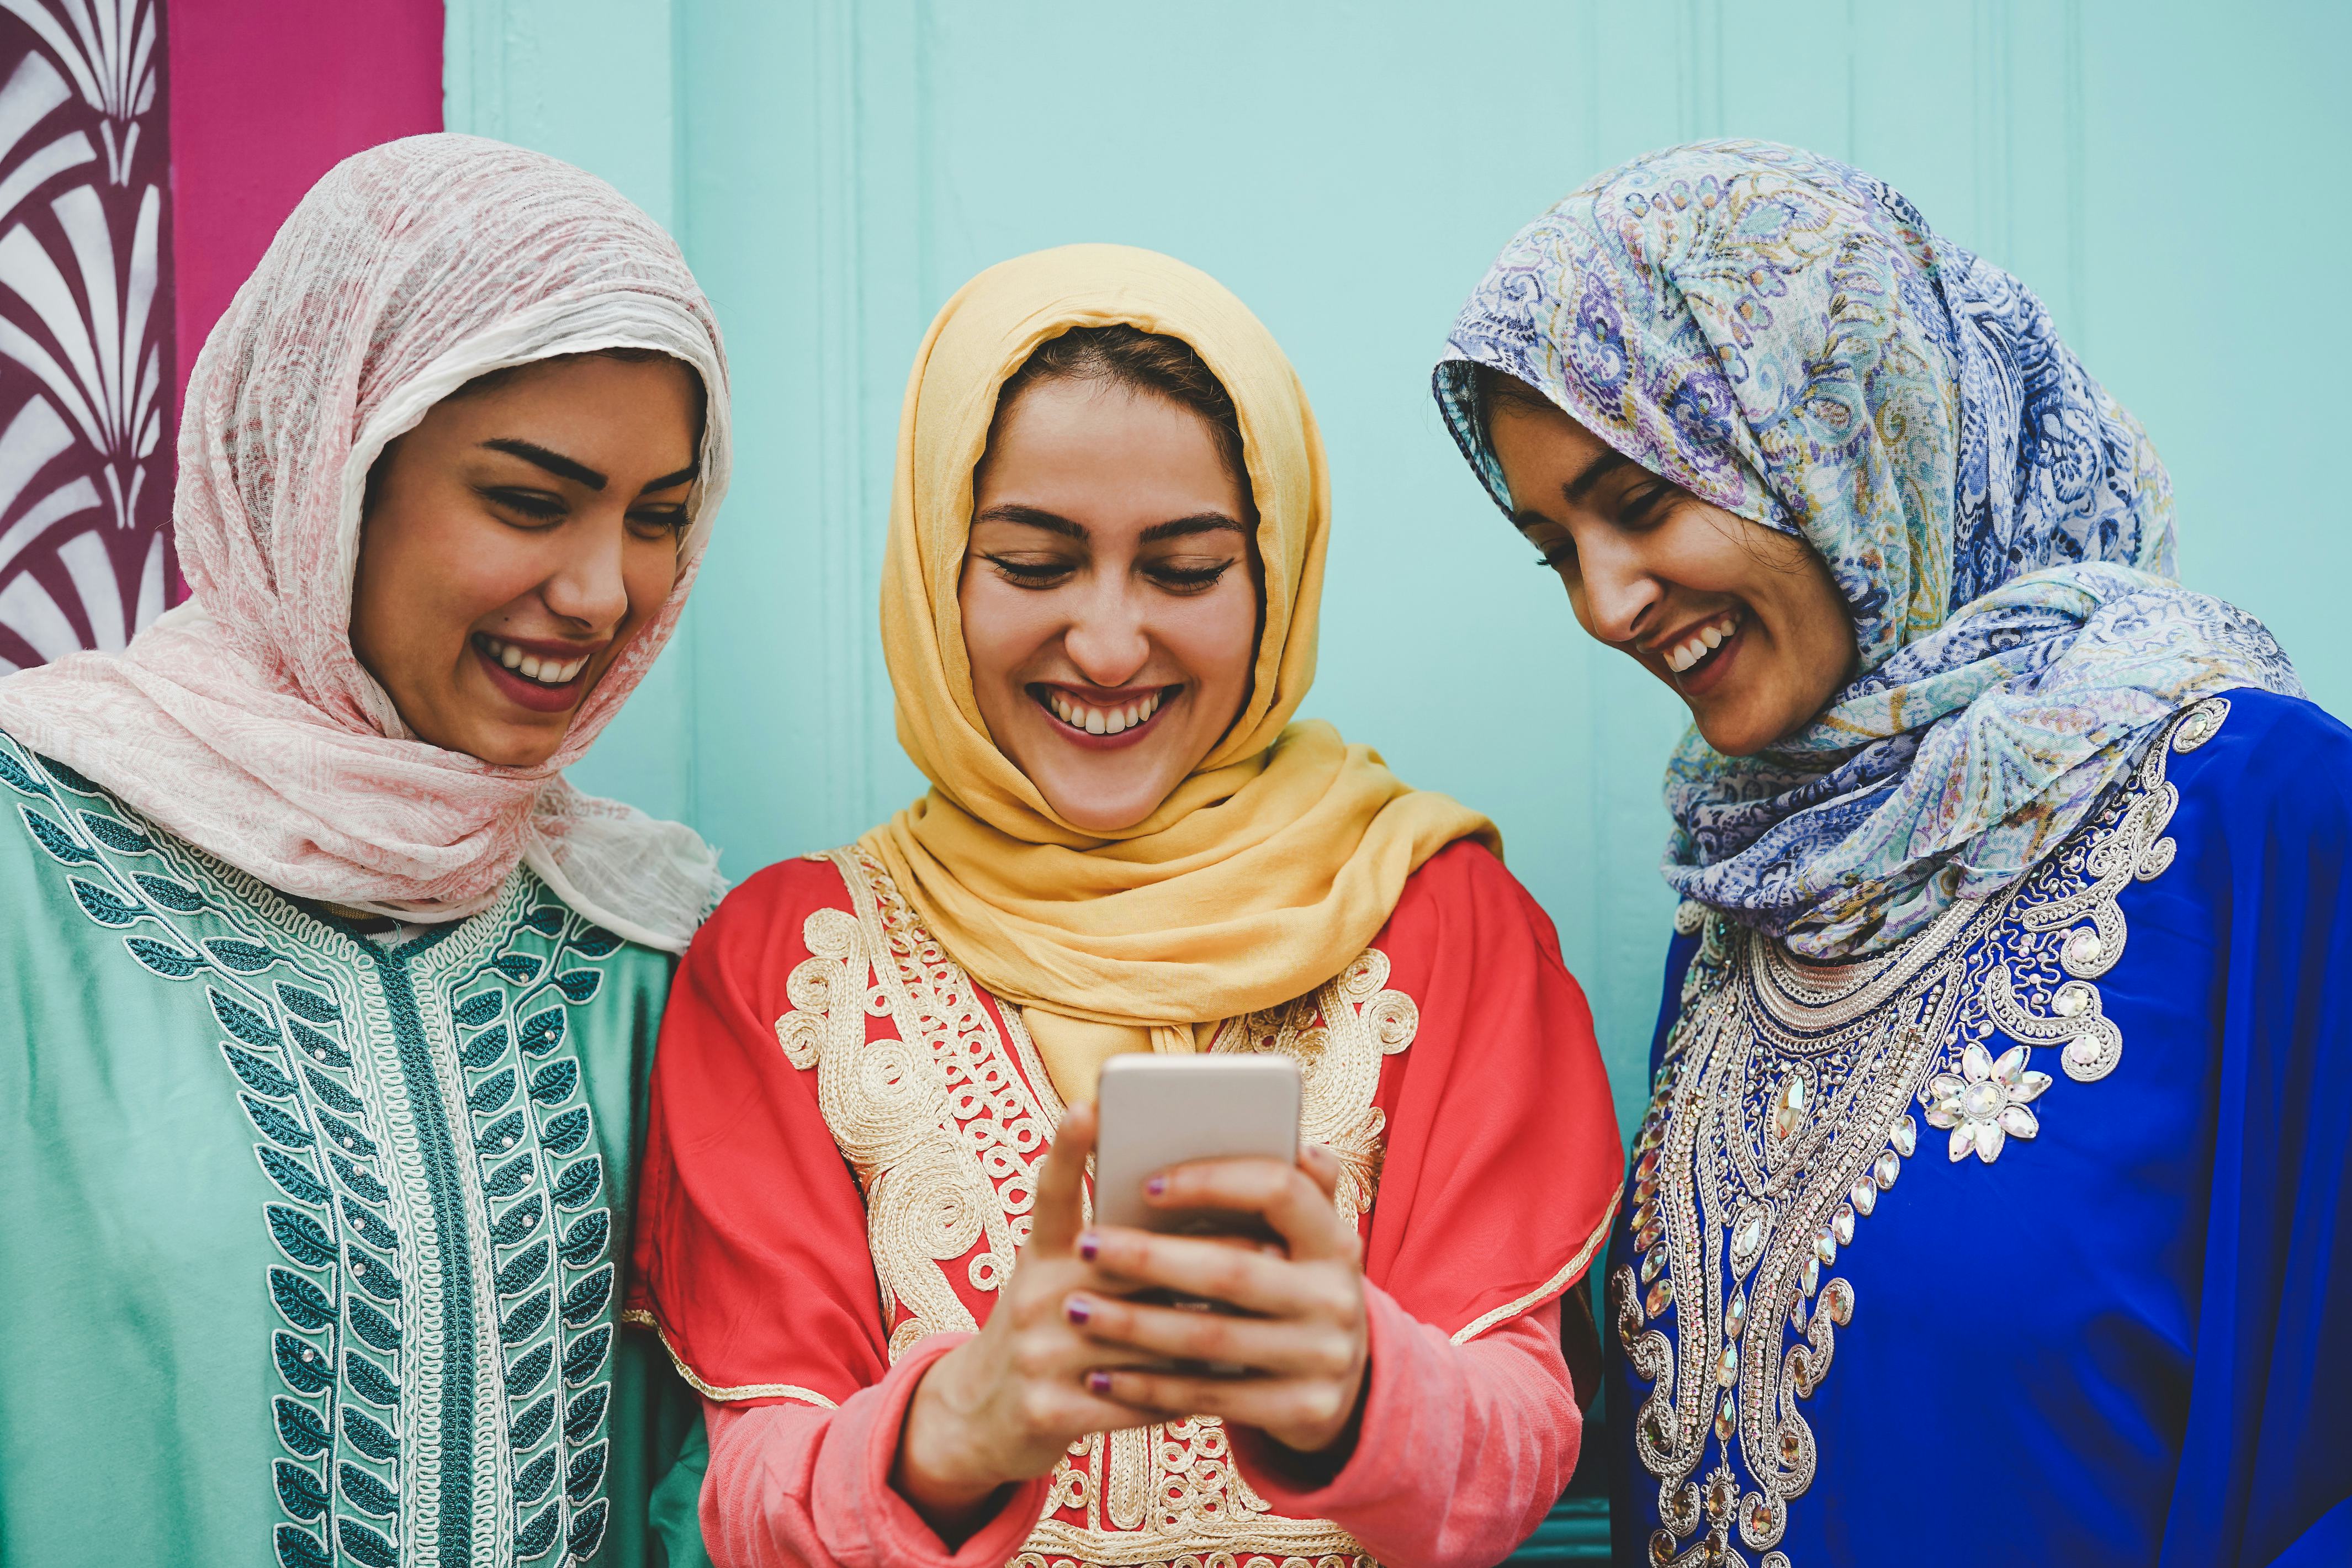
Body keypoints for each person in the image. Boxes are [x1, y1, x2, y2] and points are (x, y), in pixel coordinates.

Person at [624, 244, 1624, 1568]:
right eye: (1036, 565)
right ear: (938, 574)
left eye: (1186, 569)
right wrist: (961, 1425)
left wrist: (1356, 1379)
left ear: (1274, 576)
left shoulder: (1441, 917)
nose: (1107, 643)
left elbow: (1515, 1445)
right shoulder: (787, 963)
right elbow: (748, 1493)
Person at [1432, 139, 2350, 1565]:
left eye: (1639, 501)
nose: (1602, 605)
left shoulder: (2263, 816)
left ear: (1839, 426)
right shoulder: (1753, 886)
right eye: (1555, 546)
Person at [0, 135, 732, 1566]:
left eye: (658, 520)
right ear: (327, 470)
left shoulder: (650, 945)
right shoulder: (30, 861)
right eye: (527, 501)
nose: (603, 593)